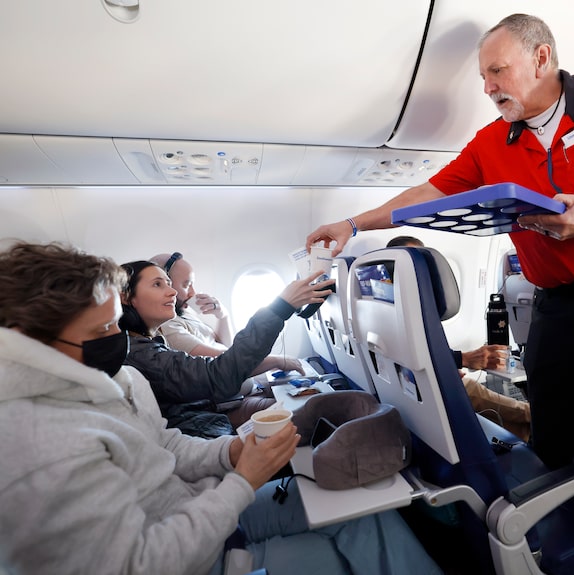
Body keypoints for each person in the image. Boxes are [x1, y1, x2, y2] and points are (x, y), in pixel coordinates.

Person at [308, 14, 574, 574]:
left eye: (497, 71)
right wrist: (353, 225)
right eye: (484, 77)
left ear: (542, 58)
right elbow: (427, 192)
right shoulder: (491, 144)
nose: (488, 88)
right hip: (557, 307)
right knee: (555, 445)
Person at [0, 241, 442, 575]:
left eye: (117, 321)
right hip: (198, 557)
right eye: (103, 328)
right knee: (338, 552)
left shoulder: (116, 376)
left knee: (366, 514)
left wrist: (230, 454)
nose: (119, 335)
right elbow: (137, 565)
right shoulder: (42, 447)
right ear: (31, 339)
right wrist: (243, 481)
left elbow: (164, 443)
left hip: (199, 503)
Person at [119, 259, 334, 438]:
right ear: (126, 297)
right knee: (322, 409)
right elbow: (218, 374)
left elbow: (225, 354)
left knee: (312, 399)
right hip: (204, 423)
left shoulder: (151, 341)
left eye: (169, 283)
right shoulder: (141, 354)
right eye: (158, 285)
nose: (173, 292)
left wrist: (223, 315)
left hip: (212, 411)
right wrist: (280, 307)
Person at [386, 236, 531, 441]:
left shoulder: (410, 303)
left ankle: (529, 438)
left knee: (490, 409)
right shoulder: (395, 307)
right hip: (414, 388)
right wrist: (460, 359)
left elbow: (417, 350)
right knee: (469, 391)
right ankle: (539, 418)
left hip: (416, 382)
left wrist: (448, 365)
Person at [149, 252, 304, 374]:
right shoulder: (168, 327)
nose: (193, 292)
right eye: (186, 285)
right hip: (229, 400)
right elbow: (224, 362)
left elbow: (228, 347)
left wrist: (223, 315)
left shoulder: (185, 313)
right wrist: (277, 361)